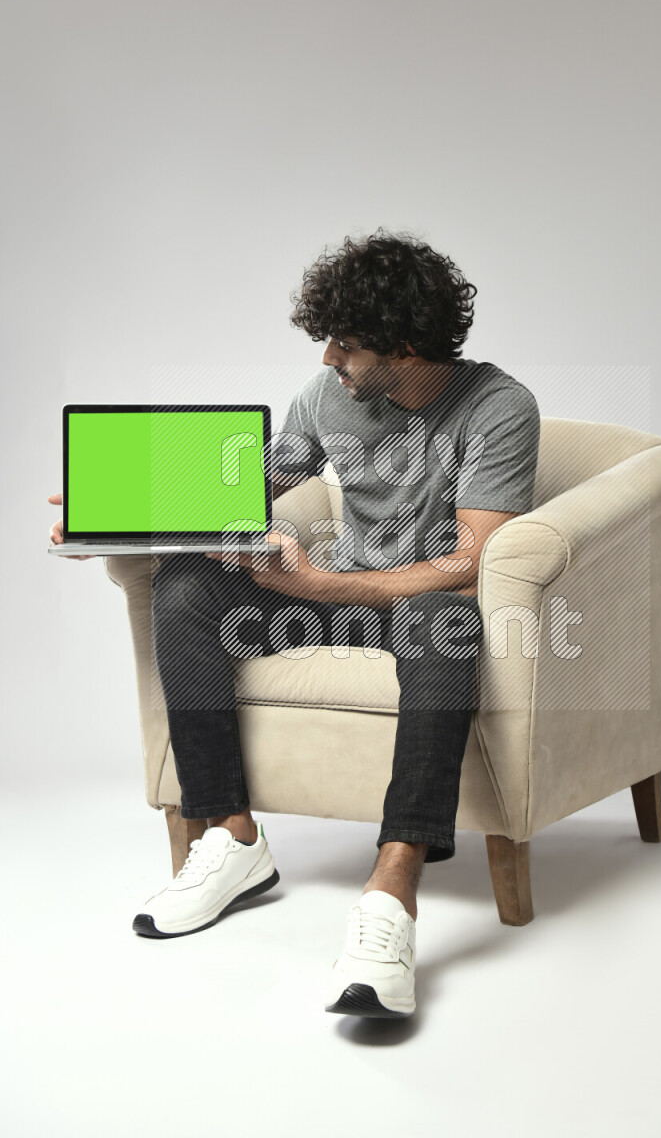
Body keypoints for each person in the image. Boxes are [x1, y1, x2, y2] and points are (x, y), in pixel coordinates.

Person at [49, 229, 540, 1020]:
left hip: (417, 613)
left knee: (445, 621)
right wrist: (107, 519)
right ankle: (233, 835)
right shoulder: (326, 400)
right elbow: (240, 492)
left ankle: (392, 892)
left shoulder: (498, 408)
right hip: (332, 600)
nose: (326, 362)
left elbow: (473, 560)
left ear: (403, 345)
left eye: (343, 345)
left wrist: (322, 579)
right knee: (186, 580)